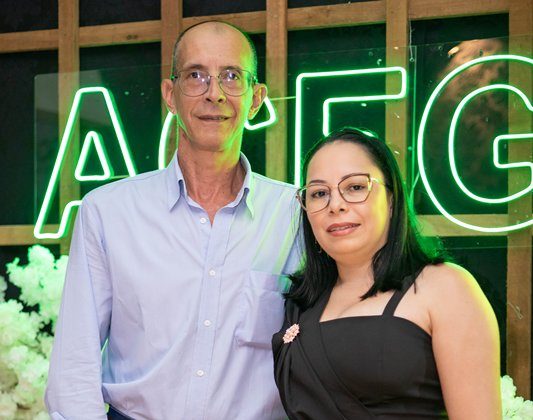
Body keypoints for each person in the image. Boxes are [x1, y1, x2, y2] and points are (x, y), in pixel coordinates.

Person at [46, 21, 300, 420]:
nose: (214, 93)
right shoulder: (108, 212)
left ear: (256, 99)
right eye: (196, 75)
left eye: (232, 76)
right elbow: (74, 363)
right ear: (170, 94)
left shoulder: (293, 213)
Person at [273, 127, 501, 419]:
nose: (336, 205)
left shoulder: (445, 287)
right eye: (319, 193)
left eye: (355, 187)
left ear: (391, 199)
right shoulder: (300, 302)